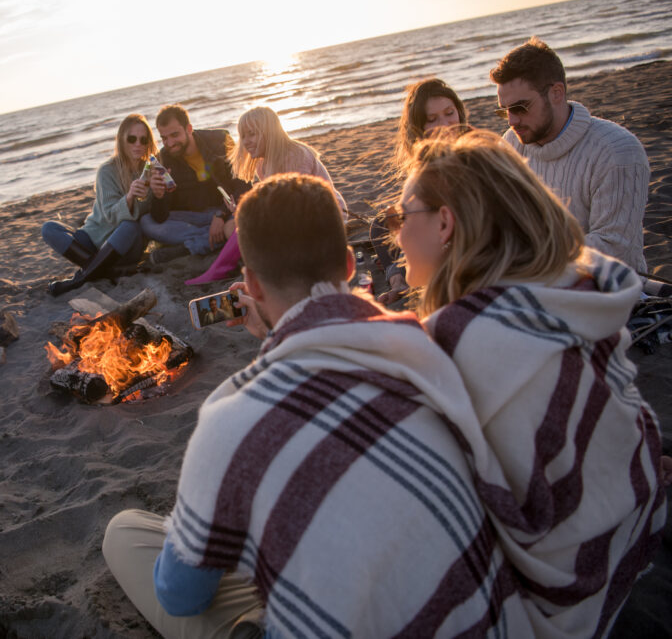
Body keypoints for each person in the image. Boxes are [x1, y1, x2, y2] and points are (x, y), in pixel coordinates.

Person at [103, 173, 533, 638]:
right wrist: (275, 329)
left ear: (250, 282)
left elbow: (180, 596)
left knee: (125, 533)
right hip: (488, 618)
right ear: (349, 264)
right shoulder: (430, 351)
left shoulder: (232, 417)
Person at [392, 128, 665, 637]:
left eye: (399, 218)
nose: (395, 236)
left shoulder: (456, 344)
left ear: (445, 222)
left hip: (563, 597)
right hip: (629, 529)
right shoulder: (570, 293)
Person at [490, 36, 649, 272]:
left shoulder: (617, 152)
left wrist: (525, 253)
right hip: (534, 284)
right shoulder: (512, 144)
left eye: (520, 108)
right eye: (504, 111)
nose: (512, 120)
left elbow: (614, 251)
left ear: (556, 93)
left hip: (610, 292)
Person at [185, 106, 347, 285]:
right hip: (297, 217)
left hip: (325, 214)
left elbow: (298, 206)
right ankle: (225, 269)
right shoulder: (262, 165)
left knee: (248, 229)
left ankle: (219, 271)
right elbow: (275, 204)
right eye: (243, 135)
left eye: (252, 134)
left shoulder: (296, 154)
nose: (246, 141)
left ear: (269, 132)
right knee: (240, 226)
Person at [373, 78, 468, 304]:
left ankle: (402, 278)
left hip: (459, 240)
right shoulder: (427, 164)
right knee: (379, 224)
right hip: (439, 237)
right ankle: (397, 279)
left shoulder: (473, 153)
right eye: (432, 119)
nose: (445, 125)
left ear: (459, 113)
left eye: (449, 113)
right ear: (418, 128)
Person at [42, 114, 156, 296]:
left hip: (125, 247)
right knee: (49, 228)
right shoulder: (107, 170)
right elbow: (110, 215)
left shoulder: (152, 170)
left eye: (144, 139)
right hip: (92, 240)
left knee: (130, 226)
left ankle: (79, 279)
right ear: (122, 139)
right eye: (132, 138)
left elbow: (150, 216)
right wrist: (129, 196)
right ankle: (104, 270)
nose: (138, 144)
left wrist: (157, 192)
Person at [141, 105, 250, 263]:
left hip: (227, 211)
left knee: (236, 224)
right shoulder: (163, 159)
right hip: (196, 219)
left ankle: (189, 248)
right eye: (164, 138)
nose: (170, 143)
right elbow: (161, 217)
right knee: (146, 222)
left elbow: (243, 183)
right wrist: (159, 195)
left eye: (175, 135)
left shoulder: (220, 140)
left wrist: (221, 214)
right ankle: (214, 239)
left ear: (189, 129)